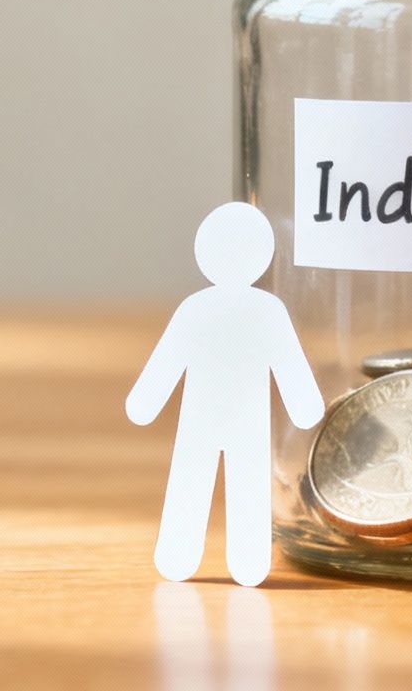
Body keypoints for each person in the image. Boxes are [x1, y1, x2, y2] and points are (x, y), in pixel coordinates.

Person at [127, 202, 324, 586]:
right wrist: (304, 405)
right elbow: (169, 359)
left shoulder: (203, 307)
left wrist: (145, 401)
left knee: (216, 480)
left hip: (223, 417)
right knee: (215, 480)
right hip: (223, 418)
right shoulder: (260, 309)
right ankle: (206, 557)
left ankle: (209, 557)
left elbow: (168, 360)